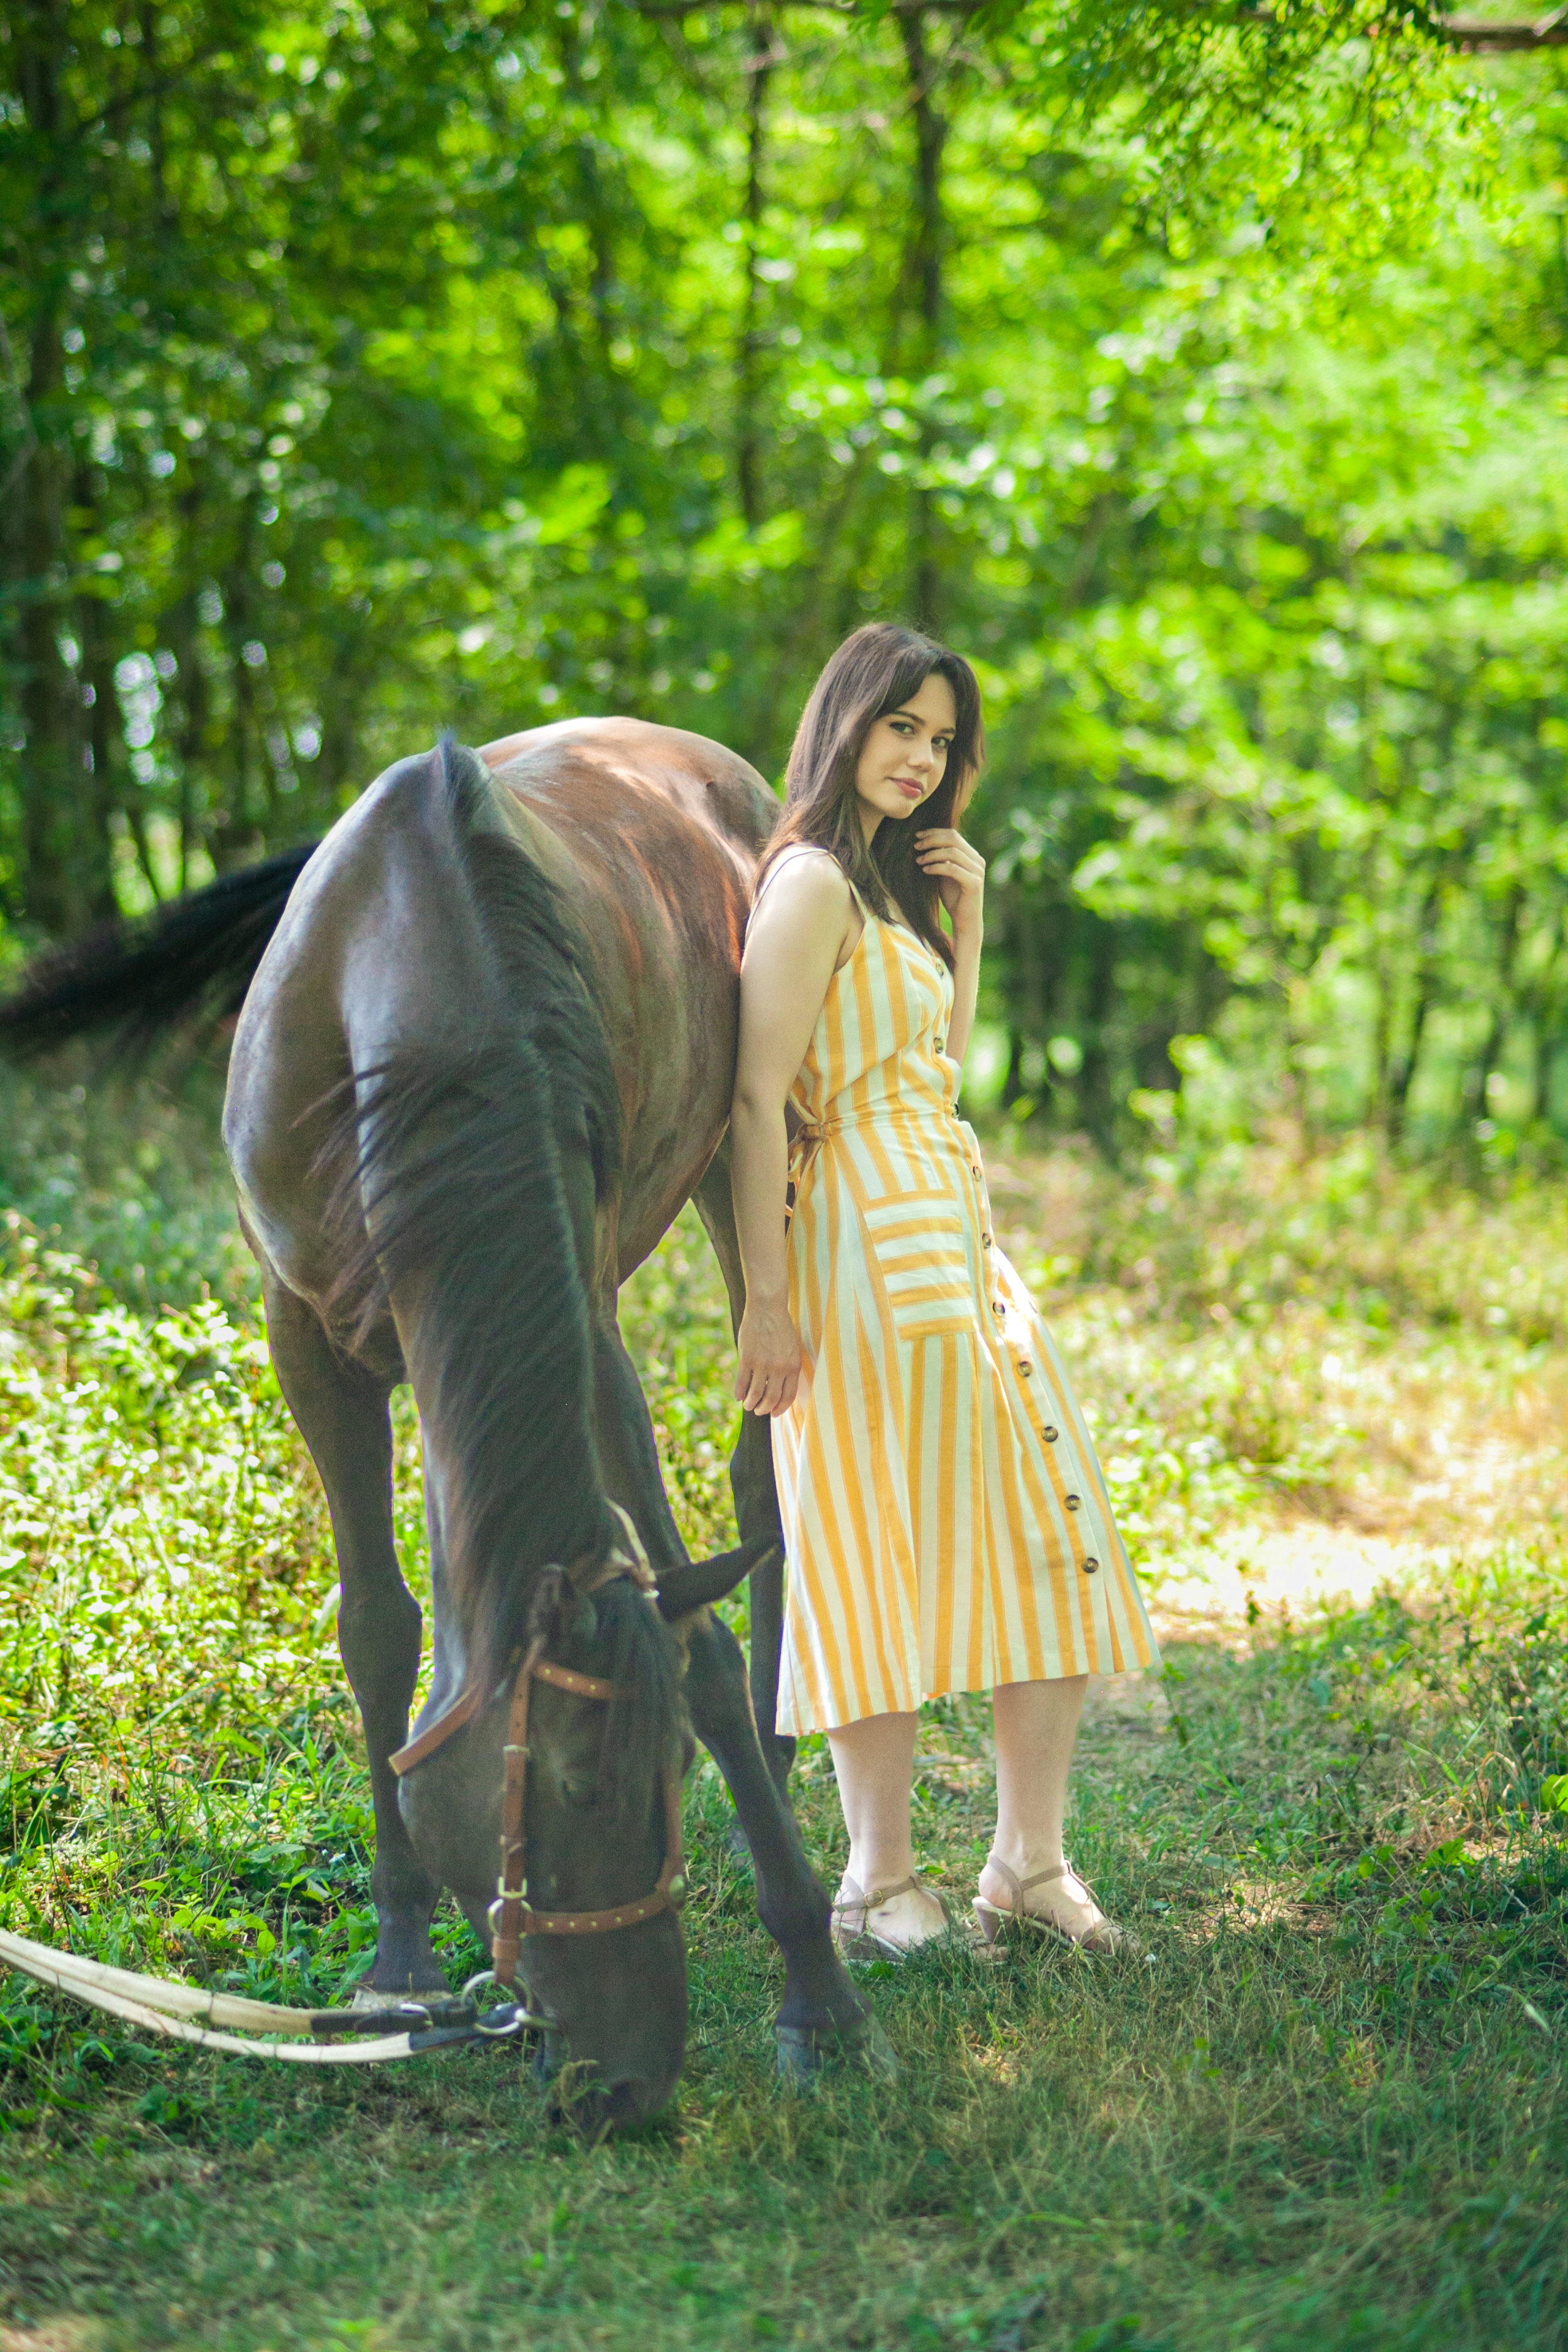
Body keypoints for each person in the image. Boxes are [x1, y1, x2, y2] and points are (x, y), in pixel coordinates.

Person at [729, 622, 1159, 1959]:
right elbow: (757, 1096)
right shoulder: (805, 883)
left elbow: (932, 1072)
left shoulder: (892, 895)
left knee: (1045, 1526)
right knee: (873, 1552)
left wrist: (965, 926)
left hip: (951, 1241)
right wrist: (762, 1297)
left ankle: (1027, 1864)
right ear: (845, 720)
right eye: (898, 726)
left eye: (940, 738)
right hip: (852, 1247)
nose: (919, 756)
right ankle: (873, 1884)